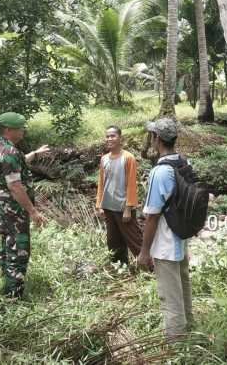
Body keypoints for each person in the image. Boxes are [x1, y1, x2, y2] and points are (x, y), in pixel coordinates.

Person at [137, 118, 193, 338]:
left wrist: (143, 252)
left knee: (170, 299)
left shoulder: (159, 172)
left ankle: (177, 347)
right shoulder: (184, 163)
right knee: (183, 290)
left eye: (152, 135)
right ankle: (191, 332)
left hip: (166, 244)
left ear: (156, 139)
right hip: (181, 238)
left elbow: (152, 217)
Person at [0, 112, 50, 299]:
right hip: (13, 211)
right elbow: (15, 187)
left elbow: (19, 163)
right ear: (8, 130)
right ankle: (12, 297)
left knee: (8, 245)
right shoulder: (9, 153)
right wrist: (33, 212)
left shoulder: (1, 148)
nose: (23, 130)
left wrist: (36, 154)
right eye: (20, 128)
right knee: (18, 250)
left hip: (4, 209)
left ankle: (6, 282)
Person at [95, 125, 143, 266]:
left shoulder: (128, 158)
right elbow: (101, 183)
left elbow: (131, 185)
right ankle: (120, 268)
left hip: (123, 209)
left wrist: (128, 208)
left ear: (120, 138)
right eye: (107, 136)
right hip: (109, 207)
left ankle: (150, 268)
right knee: (113, 241)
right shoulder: (104, 159)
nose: (109, 139)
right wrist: (99, 205)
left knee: (135, 240)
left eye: (113, 136)